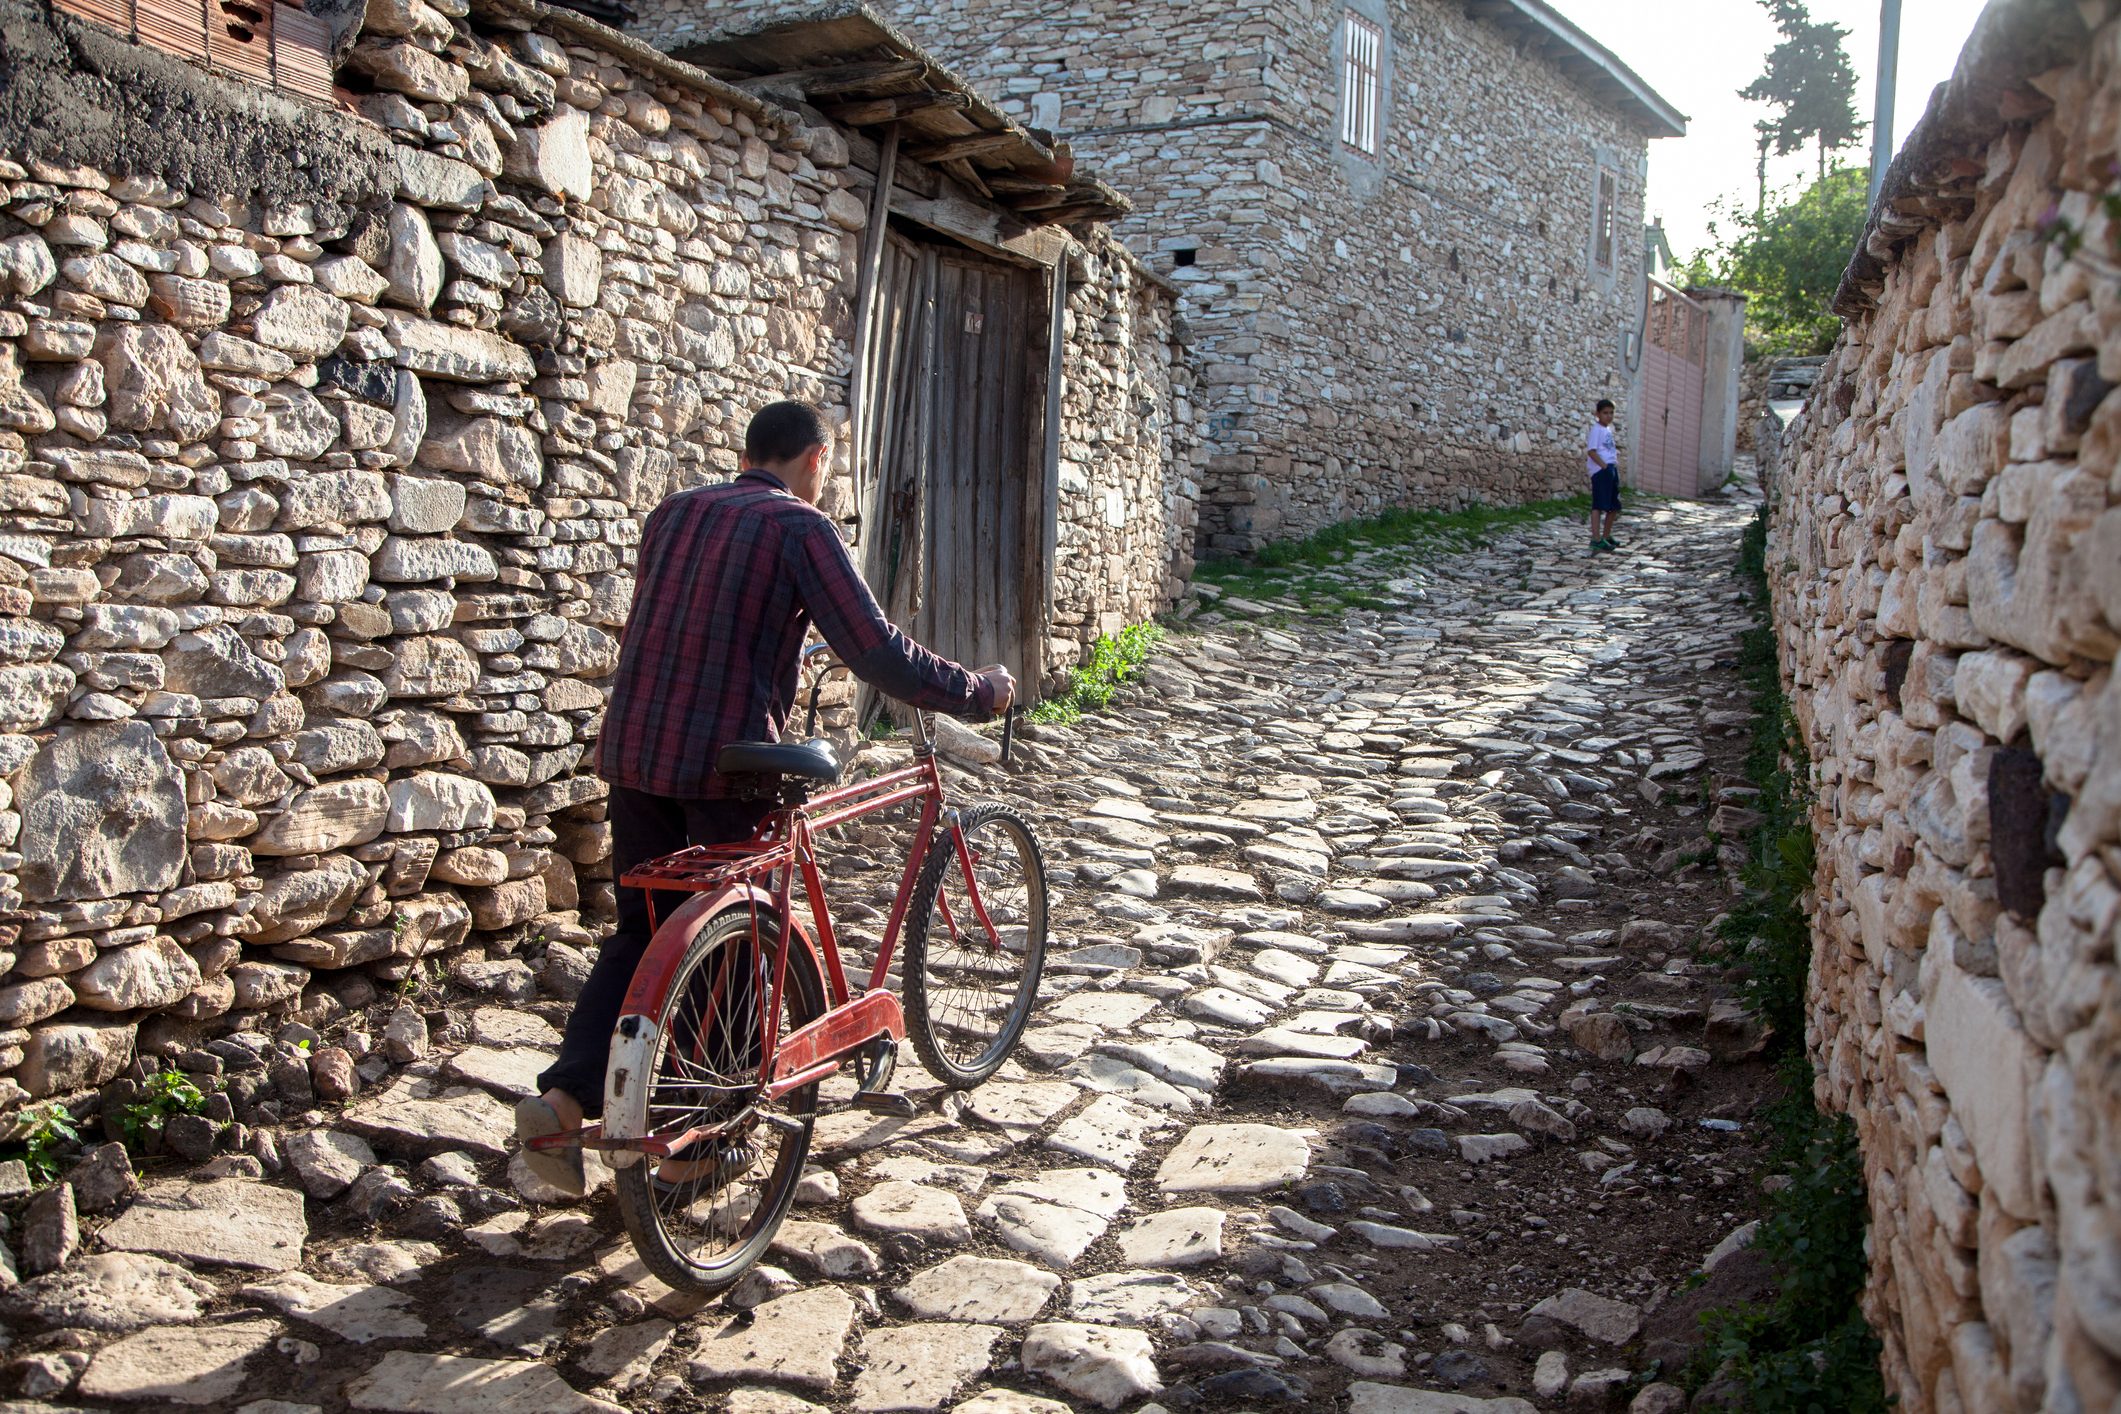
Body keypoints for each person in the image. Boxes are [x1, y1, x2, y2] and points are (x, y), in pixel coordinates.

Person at [516, 399, 1015, 1195]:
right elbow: (874, 648)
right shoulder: (799, 527)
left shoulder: (675, 512)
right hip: (726, 766)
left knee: (642, 932)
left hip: (636, 751)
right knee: (738, 945)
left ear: (748, 453)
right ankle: (698, 1143)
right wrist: (973, 689)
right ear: (816, 459)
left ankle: (564, 1100)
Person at [1585, 398, 1621, 553]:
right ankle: (1596, 539)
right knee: (1599, 505)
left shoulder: (1607, 430)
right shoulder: (1597, 430)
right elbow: (1591, 451)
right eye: (1605, 413)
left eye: (1611, 413)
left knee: (1614, 505)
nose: (1609, 416)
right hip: (1601, 471)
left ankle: (1606, 536)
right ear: (1598, 414)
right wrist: (1604, 466)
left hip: (1611, 468)